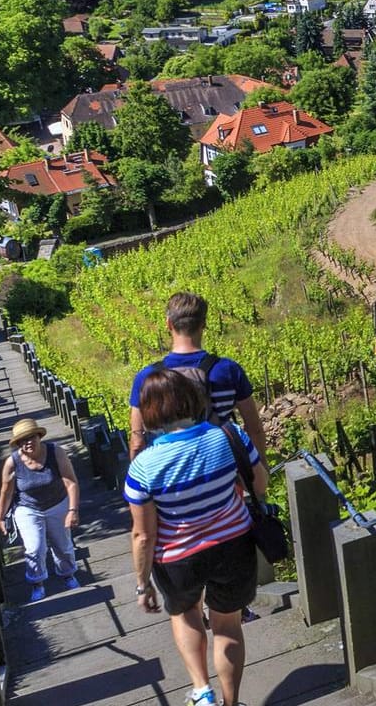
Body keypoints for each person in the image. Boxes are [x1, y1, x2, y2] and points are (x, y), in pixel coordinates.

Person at [127, 367, 267, 706]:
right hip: (234, 546)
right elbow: (260, 483)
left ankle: (201, 691)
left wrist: (143, 584)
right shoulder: (228, 436)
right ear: (191, 399)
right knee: (228, 626)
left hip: (178, 558)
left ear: (148, 413)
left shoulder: (143, 466)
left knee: (186, 614)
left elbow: (143, 535)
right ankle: (231, 703)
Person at [128, 292, 268, 460]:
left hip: (170, 476)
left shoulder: (146, 378)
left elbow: (137, 442)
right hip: (221, 471)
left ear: (169, 324)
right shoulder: (229, 370)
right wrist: (260, 472)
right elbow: (254, 429)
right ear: (203, 324)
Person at [0, 417, 81, 603]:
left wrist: (72, 510)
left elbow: (70, 481)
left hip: (58, 503)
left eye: (31, 437)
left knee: (63, 545)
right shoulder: (12, 463)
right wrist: (0, 517)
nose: (28, 443)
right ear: (18, 444)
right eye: (22, 440)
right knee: (34, 548)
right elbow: (6, 491)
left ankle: (68, 574)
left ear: (39, 436)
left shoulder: (56, 452)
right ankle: (37, 583)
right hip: (27, 508)